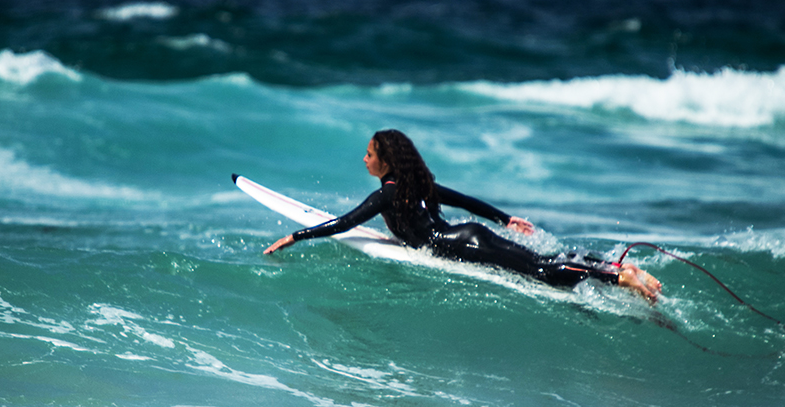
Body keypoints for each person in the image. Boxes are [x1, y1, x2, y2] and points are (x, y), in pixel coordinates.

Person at [264, 129, 662, 302]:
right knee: (540, 262)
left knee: (540, 273)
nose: (364, 160)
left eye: (369, 154)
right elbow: (467, 202)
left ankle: (617, 276)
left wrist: (296, 237)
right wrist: (505, 218)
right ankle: (618, 270)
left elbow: (346, 222)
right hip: (467, 233)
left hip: (456, 244)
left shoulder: (386, 194)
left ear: (385, 161)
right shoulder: (415, 184)